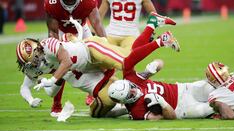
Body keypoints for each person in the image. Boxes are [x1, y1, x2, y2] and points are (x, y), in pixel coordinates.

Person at [16, 13, 179, 118]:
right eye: (33, 60)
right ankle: (152, 24)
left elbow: (66, 60)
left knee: (126, 61)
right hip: (91, 71)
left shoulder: (47, 44)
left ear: (38, 47)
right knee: (102, 108)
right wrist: (31, 100)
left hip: (92, 51)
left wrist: (52, 79)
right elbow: (28, 88)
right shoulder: (36, 68)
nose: (37, 61)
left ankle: (160, 40)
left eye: (36, 55)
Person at [19, 0, 107, 116]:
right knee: (60, 67)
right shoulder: (52, 4)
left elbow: (97, 24)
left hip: (82, 30)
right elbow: (52, 31)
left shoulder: (87, 2)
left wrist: (106, 46)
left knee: (101, 60)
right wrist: (57, 49)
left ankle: (93, 95)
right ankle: (56, 105)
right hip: (61, 32)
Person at [108, 60, 215, 120]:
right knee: (210, 108)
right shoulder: (137, 112)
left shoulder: (134, 79)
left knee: (213, 87)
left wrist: (153, 66)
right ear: (124, 101)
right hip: (181, 109)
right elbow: (170, 117)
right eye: (129, 94)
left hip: (184, 89)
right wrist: (162, 103)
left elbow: (161, 62)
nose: (134, 91)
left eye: (131, 88)